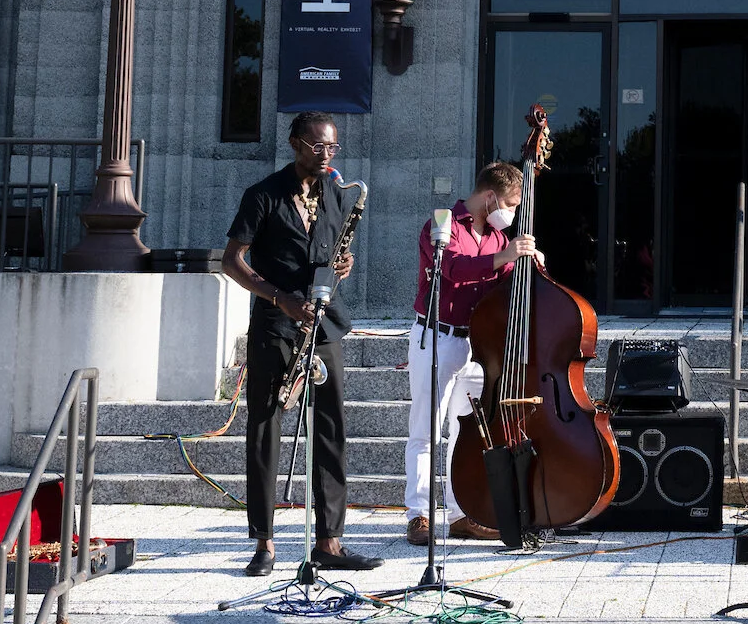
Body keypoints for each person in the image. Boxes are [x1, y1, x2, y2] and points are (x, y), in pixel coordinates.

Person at [221, 112, 381, 577]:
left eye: (332, 148)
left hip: (323, 324)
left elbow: (331, 253)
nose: (327, 156)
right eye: (318, 147)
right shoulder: (263, 195)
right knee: (265, 429)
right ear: (295, 144)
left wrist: (342, 264)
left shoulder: (336, 193)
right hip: (276, 322)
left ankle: (330, 541)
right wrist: (279, 298)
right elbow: (233, 260)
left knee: (331, 430)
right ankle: (264, 544)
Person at [403, 162, 540, 546]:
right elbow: (453, 269)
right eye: (511, 204)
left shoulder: (497, 238)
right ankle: (418, 515)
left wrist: (529, 265)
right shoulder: (441, 223)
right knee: (426, 429)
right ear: (490, 197)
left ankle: (462, 513)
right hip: (438, 336)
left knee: (466, 432)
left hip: (477, 346)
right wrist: (504, 257)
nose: (511, 213)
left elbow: (503, 278)